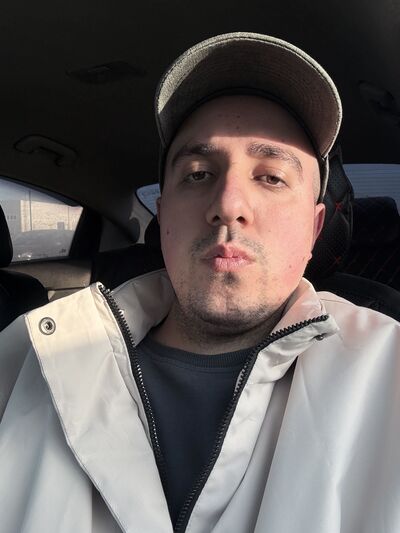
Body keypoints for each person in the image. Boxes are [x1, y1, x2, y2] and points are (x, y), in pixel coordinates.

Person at [0, 32, 399, 533]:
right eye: (197, 173)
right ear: (163, 214)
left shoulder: (389, 375)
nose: (228, 204)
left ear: (314, 230)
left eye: (271, 177)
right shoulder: (26, 358)